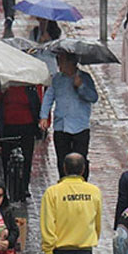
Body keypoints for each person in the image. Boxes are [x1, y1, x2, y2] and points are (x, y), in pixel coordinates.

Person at [39, 52, 99, 181]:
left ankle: (82, 183)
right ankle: (63, 183)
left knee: (80, 158)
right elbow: (48, 98)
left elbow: (93, 97)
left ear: (70, 62)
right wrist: (44, 116)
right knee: (62, 158)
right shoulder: (56, 79)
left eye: (61, 61)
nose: (59, 65)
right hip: (61, 126)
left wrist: (81, 86)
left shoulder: (85, 77)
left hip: (80, 126)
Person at [0, 83, 41, 199]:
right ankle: (5, 185)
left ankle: (24, 187)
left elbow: (36, 105)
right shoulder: (4, 84)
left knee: (27, 158)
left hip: (27, 128)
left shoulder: (29, 86)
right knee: (5, 158)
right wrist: (1, 91)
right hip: (7, 127)